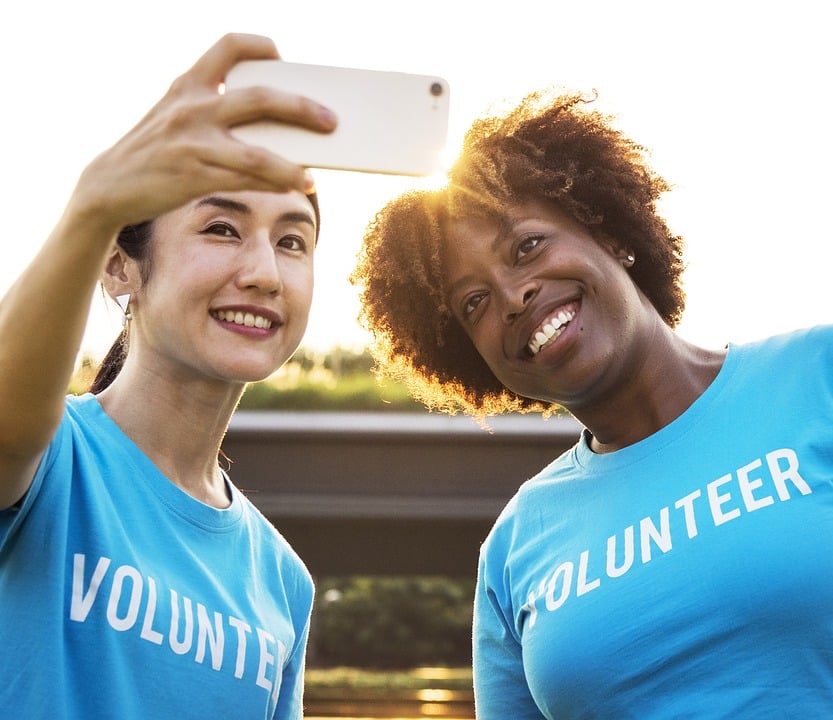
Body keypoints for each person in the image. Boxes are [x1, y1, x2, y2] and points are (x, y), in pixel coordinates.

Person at [351, 88, 833, 717]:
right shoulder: (514, 549)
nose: (515, 295)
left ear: (611, 234)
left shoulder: (816, 376)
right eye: (475, 304)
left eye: (527, 247)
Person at [0, 33, 338, 719]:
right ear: (120, 267)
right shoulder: (45, 463)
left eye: (292, 241)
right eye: (220, 228)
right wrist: (93, 206)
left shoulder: (281, 582)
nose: (264, 273)